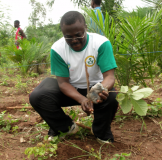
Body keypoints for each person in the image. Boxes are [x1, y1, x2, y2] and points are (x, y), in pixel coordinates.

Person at [29, 11, 118, 144]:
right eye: (68, 37)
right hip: (70, 89)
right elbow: (63, 83)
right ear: (63, 34)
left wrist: (100, 89)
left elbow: (109, 76)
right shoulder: (58, 49)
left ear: (85, 28)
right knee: (38, 95)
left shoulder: (101, 43)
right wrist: (82, 99)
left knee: (111, 96)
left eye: (78, 35)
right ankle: (65, 127)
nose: (74, 40)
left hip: (95, 87)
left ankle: (100, 131)